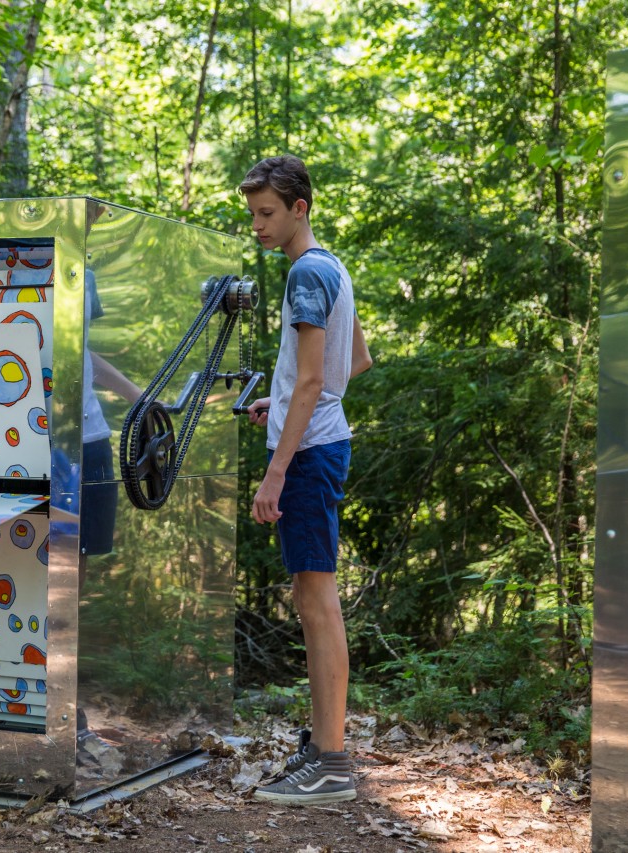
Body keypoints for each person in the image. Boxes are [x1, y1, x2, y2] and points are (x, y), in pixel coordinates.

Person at [240, 155, 372, 805]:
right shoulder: (332, 267)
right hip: (323, 440)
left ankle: (332, 763)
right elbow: (356, 361)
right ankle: (324, 748)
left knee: (318, 606)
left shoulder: (304, 275)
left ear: (301, 208)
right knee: (312, 599)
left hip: (312, 456)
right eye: (253, 214)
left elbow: (319, 378)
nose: (258, 226)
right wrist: (284, 396)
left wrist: (276, 470)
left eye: (267, 213)